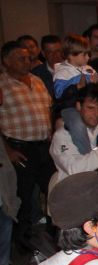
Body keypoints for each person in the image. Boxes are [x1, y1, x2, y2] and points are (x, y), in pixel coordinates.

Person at [0, 41, 54, 246]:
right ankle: (22, 241)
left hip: (42, 147)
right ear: (6, 61)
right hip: (18, 148)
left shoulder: (37, 80)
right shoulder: (2, 85)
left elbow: (49, 107)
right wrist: (8, 150)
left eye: (28, 58)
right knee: (22, 196)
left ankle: (53, 235)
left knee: (52, 188)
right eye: (20, 58)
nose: (26, 62)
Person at [50, 84, 98, 181]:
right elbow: (73, 169)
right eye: (90, 108)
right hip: (76, 192)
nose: (96, 113)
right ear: (78, 106)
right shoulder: (62, 136)